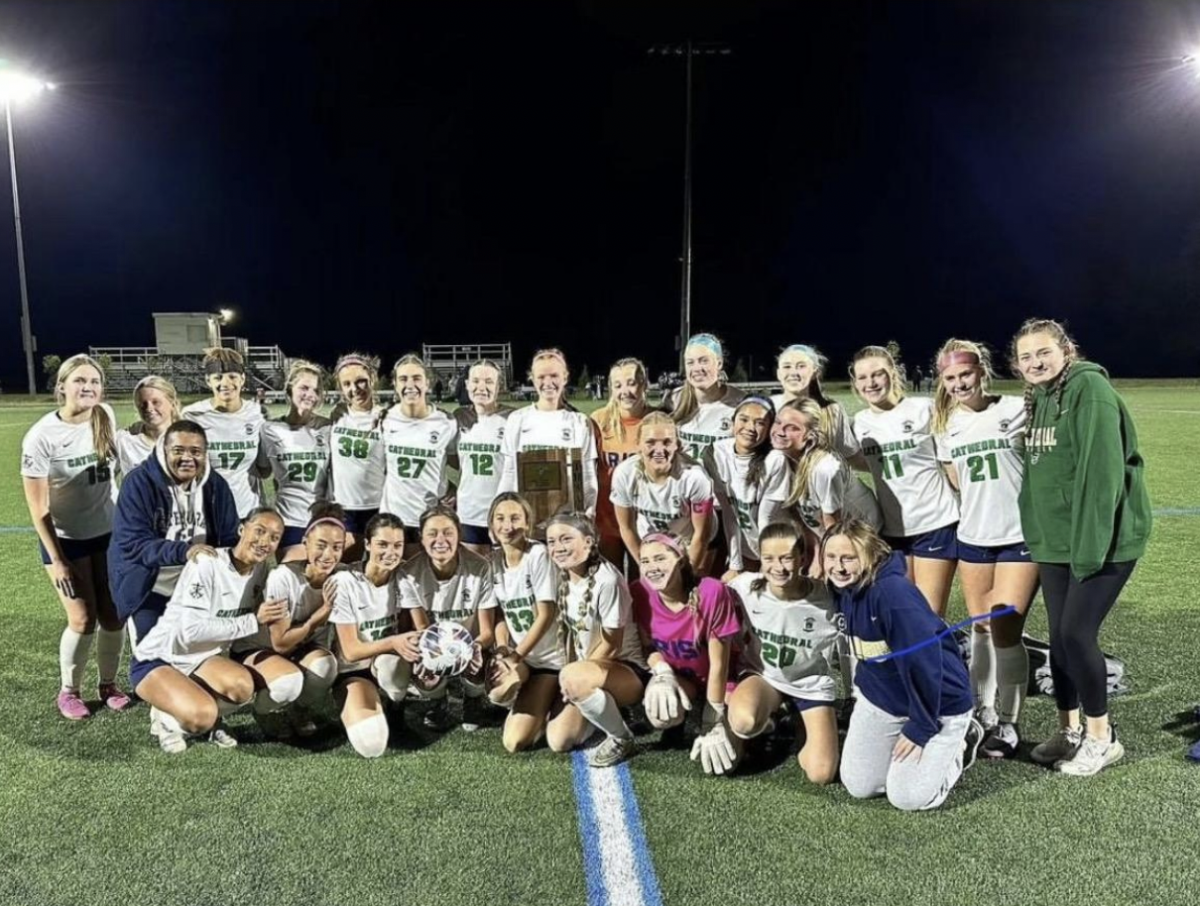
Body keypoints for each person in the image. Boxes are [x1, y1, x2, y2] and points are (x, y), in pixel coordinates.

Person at [1012, 318, 1151, 776]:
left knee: (1076, 635)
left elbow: (1102, 474)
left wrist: (1088, 552)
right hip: (1054, 542)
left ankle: (1100, 736)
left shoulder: (1089, 390)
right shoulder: (1038, 397)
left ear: (1066, 349)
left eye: (1043, 352)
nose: (1035, 362)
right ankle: (1069, 729)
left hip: (1101, 542)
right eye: (1026, 356)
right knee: (1057, 641)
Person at [823, 519, 983, 811]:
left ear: (869, 556)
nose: (839, 567)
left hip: (938, 704)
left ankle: (962, 741)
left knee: (907, 797)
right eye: (831, 558)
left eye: (848, 558)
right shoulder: (840, 588)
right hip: (884, 701)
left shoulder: (893, 595)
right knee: (860, 785)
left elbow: (925, 664)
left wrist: (921, 727)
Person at [931, 338, 1038, 758]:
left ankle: (1009, 723)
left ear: (982, 371)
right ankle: (983, 711)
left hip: (1018, 537)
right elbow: (954, 477)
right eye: (950, 378)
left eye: (965, 375)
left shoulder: (1015, 408)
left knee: (1005, 629)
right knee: (979, 627)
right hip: (973, 537)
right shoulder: (946, 423)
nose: (959, 384)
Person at [110, 419, 241, 730]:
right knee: (160, 666)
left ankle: (180, 701)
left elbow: (228, 538)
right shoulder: (139, 483)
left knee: (228, 678)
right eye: (178, 450)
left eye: (196, 451)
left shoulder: (215, 485)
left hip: (196, 591)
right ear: (163, 450)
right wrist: (184, 551)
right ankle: (160, 707)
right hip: (150, 588)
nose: (188, 458)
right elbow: (134, 543)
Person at [21, 353, 129, 720]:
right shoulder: (41, 437)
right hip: (67, 541)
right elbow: (39, 510)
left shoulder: (105, 416)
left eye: (94, 382)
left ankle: (110, 685)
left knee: (114, 614)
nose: (88, 388)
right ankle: (69, 691)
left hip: (109, 534)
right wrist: (59, 561)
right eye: (80, 381)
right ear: (62, 386)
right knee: (83, 619)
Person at [132, 507, 291, 752]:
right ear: (241, 529)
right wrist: (253, 620)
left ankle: (194, 708)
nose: (264, 542)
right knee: (202, 716)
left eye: (274, 537)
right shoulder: (207, 563)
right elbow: (190, 631)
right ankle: (166, 718)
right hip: (161, 658)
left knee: (243, 687)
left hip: (203, 658)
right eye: (259, 531)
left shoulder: (260, 570)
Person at [726, 522, 841, 785]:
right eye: (769, 559)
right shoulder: (745, 587)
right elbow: (711, 592)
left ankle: (804, 720)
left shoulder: (828, 598)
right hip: (764, 678)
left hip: (810, 685)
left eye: (786, 558)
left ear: (802, 557)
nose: (778, 567)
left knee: (821, 774)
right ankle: (767, 713)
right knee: (743, 722)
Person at [850, 345, 959, 616]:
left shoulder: (923, 409)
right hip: (892, 531)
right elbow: (864, 461)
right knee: (904, 614)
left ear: (893, 374)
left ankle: (943, 658)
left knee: (929, 614)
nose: (871, 383)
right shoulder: (860, 422)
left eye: (878, 374)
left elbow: (950, 458)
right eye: (862, 377)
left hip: (935, 521)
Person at [234, 502, 347, 737]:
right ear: (305, 542)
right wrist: (321, 613)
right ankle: (264, 712)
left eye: (337, 547)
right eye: (321, 545)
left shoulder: (343, 577)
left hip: (302, 648)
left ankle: (299, 709)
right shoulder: (283, 578)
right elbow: (281, 643)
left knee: (326, 667)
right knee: (289, 682)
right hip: (260, 649)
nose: (328, 555)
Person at [543, 512, 647, 767]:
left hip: (627, 671)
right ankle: (602, 709)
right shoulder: (564, 576)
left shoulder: (607, 580)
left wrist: (575, 674)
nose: (558, 547)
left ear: (589, 542)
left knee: (574, 680)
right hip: (591, 670)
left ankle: (621, 737)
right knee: (559, 740)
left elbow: (612, 645)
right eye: (552, 541)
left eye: (566, 539)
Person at [632, 533, 742, 775]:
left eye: (660, 558)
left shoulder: (712, 591)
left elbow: (719, 664)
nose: (652, 568)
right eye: (645, 561)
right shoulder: (639, 592)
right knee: (659, 715)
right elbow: (647, 647)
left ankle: (750, 725)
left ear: (681, 559)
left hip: (723, 682)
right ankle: (686, 716)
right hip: (682, 679)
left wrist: (712, 718)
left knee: (725, 764)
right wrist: (661, 673)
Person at [327, 512, 419, 758]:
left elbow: (418, 628)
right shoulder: (345, 581)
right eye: (383, 544)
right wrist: (393, 641)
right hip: (353, 669)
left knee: (393, 668)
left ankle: (395, 705)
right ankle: (349, 699)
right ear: (367, 544)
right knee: (372, 745)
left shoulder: (404, 576)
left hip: (387, 662)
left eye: (397, 545)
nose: (391, 552)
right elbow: (351, 651)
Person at [398, 505, 496, 732]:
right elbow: (422, 628)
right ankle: (438, 699)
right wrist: (427, 657)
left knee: (482, 666)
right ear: (421, 538)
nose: (440, 540)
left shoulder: (480, 567)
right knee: (424, 672)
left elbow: (488, 631)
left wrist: (477, 649)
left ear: (459, 535)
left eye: (448, 532)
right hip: (437, 646)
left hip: (471, 645)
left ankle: (473, 699)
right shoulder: (409, 573)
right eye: (432, 533)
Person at [487, 492, 567, 752]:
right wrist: (502, 647)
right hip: (525, 660)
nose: (507, 526)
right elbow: (500, 614)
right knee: (498, 695)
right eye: (500, 519)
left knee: (526, 740)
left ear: (528, 523)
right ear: (491, 524)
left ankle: (557, 696)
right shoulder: (493, 561)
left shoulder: (538, 554)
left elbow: (546, 615)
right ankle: (537, 699)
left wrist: (515, 656)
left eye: (515, 518)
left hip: (551, 661)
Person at [497, 349, 599, 517]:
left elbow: (586, 474)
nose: (548, 382)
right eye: (541, 377)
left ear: (565, 377)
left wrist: (589, 508)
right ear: (532, 378)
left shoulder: (579, 422)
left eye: (554, 376)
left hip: (567, 519)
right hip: (526, 518)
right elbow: (509, 473)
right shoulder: (517, 419)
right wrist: (500, 512)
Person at [610, 412, 716, 572]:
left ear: (677, 445)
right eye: (650, 443)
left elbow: (701, 534)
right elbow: (627, 528)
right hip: (652, 540)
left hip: (690, 539)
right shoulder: (625, 474)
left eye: (667, 442)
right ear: (638, 444)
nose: (659, 450)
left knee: (692, 589)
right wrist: (646, 567)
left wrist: (688, 575)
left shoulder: (695, 478)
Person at [705, 396, 791, 580]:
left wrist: (767, 563)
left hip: (777, 546)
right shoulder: (715, 453)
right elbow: (729, 512)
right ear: (733, 421)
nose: (750, 428)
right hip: (745, 545)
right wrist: (735, 564)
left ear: (769, 429)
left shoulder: (775, 460)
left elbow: (766, 518)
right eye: (744, 419)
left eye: (760, 423)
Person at [381, 355, 459, 558]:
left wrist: (453, 489)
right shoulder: (384, 419)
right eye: (403, 379)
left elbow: (459, 463)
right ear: (395, 384)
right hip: (394, 518)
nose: (410, 385)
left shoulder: (446, 422)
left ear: (428, 382)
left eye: (416, 378)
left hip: (432, 518)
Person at [771, 399, 881, 541]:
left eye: (792, 427)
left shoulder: (825, 468)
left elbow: (833, 529)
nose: (779, 432)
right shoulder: (779, 458)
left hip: (864, 537)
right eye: (778, 422)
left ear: (810, 435)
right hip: (827, 535)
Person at [257, 360, 332, 561]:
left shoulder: (328, 427)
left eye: (315, 390)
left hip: (322, 519)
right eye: (304, 388)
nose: (310, 394)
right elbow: (263, 470)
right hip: (288, 520)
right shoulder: (269, 429)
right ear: (290, 389)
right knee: (291, 581)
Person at [181, 347, 267, 519]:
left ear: (243, 379)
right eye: (218, 377)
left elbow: (264, 470)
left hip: (248, 512)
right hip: (207, 513)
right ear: (208, 381)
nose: (226, 383)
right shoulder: (192, 415)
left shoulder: (258, 414)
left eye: (232, 376)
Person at [592, 357, 652, 570]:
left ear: (644, 384)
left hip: (646, 524)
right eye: (618, 385)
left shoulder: (656, 421)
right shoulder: (598, 421)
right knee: (612, 586)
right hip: (607, 523)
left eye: (631, 382)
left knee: (645, 589)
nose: (625, 390)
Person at [327, 352, 388, 561]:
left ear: (373, 378)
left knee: (379, 572)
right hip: (344, 508)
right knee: (345, 571)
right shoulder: (336, 418)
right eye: (347, 384)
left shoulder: (387, 419)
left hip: (378, 507)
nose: (355, 389)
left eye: (361, 381)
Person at [451, 359, 514, 556]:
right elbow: (450, 459)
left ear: (499, 386)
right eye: (476, 381)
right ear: (467, 384)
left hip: (504, 514)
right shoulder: (459, 417)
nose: (481, 387)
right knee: (474, 578)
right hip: (469, 512)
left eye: (489, 381)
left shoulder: (514, 418)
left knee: (505, 579)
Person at [771, 344, 860, 461]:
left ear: (815, 373)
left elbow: (850, 455)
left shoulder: (831, 410)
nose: (793, 373)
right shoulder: (765, 408)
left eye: (801, 366)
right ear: (779, 373)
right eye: (787, 366)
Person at [665, 333, 745, 462]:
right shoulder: (675, 399)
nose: (697, 368)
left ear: (719, 363)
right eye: (690, 362)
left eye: (704, 361)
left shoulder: (740, 404)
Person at [114, 375, 182, 479]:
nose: (149, 408)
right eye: (143, 404)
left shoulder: (190, 438)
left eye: (156, 402)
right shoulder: (124, 440)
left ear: (173, 404)